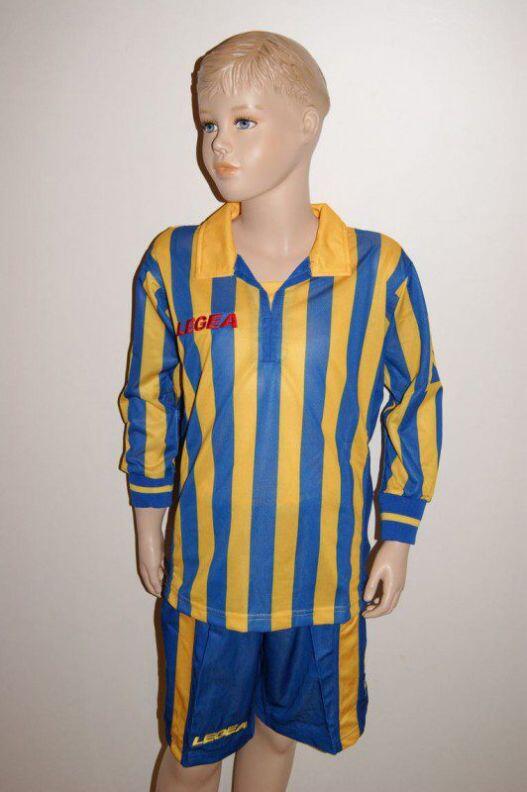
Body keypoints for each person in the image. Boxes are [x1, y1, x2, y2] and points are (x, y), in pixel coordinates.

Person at [117, 30, 444, 792]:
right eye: (208, 123)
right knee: (191, 757)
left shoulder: (377, 269)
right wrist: (147, 516)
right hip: (209, 575)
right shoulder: (175, 263)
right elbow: (150, 396)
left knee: (274, 738)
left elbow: (416, 398)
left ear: (307, 122)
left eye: (243, 120)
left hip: (320, 576)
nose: (218, 145)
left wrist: (397, 532)